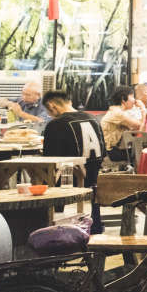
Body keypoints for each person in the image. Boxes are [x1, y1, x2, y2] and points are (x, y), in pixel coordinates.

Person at [41, 91, 106, 233]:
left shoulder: (56, 124)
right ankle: (95, 226)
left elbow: (48, 160)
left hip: (69, 181)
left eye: (48, 112)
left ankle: (50, 229)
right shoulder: (93, 119)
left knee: (42, 181)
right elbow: (104, 150)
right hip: (94, 178)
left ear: (52, 106)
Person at [101, 86, 143, 161]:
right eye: (132, 97)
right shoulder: (118, 113)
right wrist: (143, 108)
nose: (134, 100)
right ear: (123, 99)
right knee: (143, 151)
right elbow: (140, 126)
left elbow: (135, 127)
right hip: (113, 152)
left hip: (114, 150)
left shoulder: (117, 111)